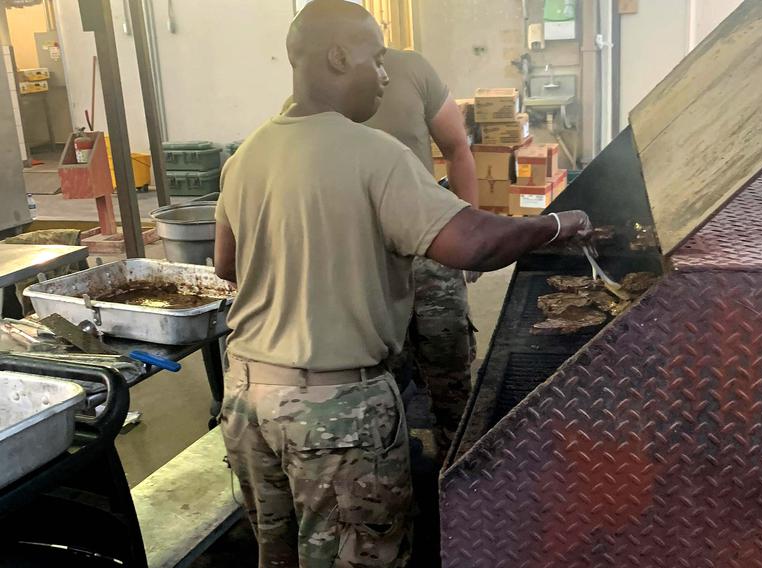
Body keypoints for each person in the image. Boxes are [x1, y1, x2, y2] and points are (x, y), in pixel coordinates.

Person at [214, 1, 592, 566]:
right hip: (336, 412)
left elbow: (226, 265)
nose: (386, 75)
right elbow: (474, 243)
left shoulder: (245, 156)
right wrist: (558, 223)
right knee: (365, 554)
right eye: (378, 59)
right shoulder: (375, 154)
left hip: (246, 402)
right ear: (339, 57)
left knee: (279, 554)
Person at [285, 47, 479, 455]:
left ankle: (461, 473)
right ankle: (394, 467)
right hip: (362, 259)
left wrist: (469, 233)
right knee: (377, 372)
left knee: (449, 368)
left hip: (427, 248)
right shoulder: (305, 102)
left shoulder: (410, 69)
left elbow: (458, 147)